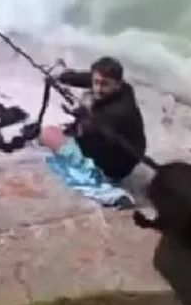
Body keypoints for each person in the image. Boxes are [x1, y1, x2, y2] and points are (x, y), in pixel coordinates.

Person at [39, 57, 146, 203]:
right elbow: (89, 78)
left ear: (117, 84)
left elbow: (85, 130)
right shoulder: (125, 89)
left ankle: (99, 180)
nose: (98, 89)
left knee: (47, 133)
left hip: (114, 167)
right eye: (96, 82)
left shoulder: (116, 113)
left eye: (104, 84)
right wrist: (62, 77)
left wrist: (79, 113)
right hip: (122, 151)